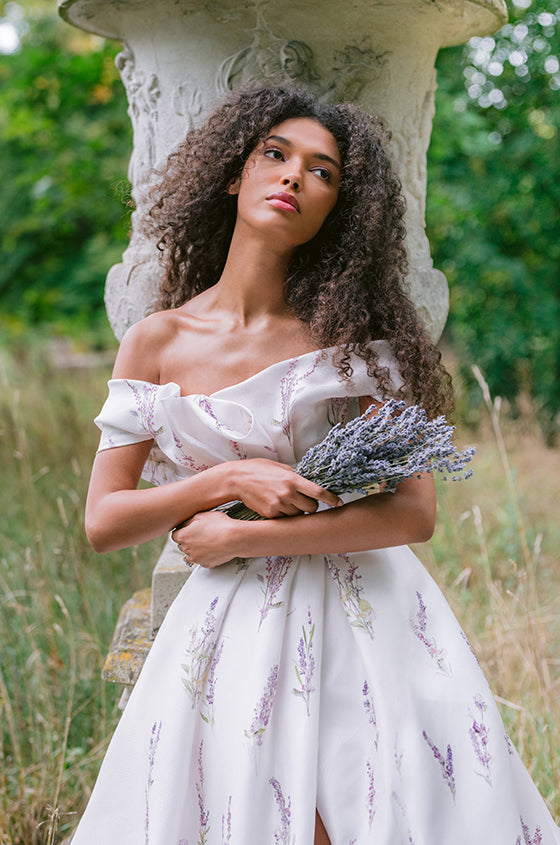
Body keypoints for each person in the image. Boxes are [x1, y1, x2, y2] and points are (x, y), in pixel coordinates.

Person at [71, 82, 560, 845]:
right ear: (235, 175)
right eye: (275, 154)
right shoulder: (156, 341)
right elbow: (104, 521)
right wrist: (229, 480)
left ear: (339, 210)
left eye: (323, 171)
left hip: (363, 616)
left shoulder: (355, 341)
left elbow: (414, 513)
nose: (294, 176)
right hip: (227, 628)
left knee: (360, 814)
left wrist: (240, 536)